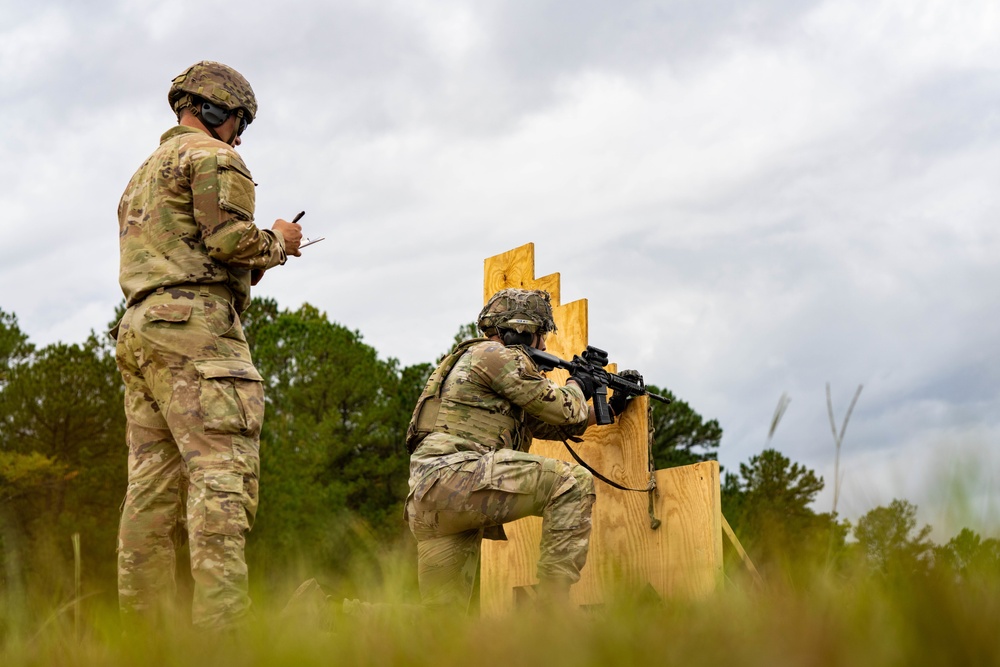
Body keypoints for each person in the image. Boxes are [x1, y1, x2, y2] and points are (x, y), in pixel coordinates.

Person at [113, 60, 302, 629]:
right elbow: (228, 240)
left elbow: (194, 252)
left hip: (141, 330)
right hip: (197, 332)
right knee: (223, 473)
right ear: (216, 110)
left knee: (150, 488)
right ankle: (223, 635)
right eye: (238, 121)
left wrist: (251, 264)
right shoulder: (215, 157)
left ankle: (143, 640)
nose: (240, 135)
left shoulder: (140, 175)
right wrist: (279, 241)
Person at [405, 288, 627, 610]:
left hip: (430, 498)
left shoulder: (472, 363)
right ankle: (552, 607)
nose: (546, 345)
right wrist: (578, 383)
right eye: (542, 334)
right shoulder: (494, 356)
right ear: (521, 330)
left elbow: (553, 424)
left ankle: (335, 612)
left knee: (442, 622)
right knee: (571, 482)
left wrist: (610, 408)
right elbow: (564, 408)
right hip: (455, 476)